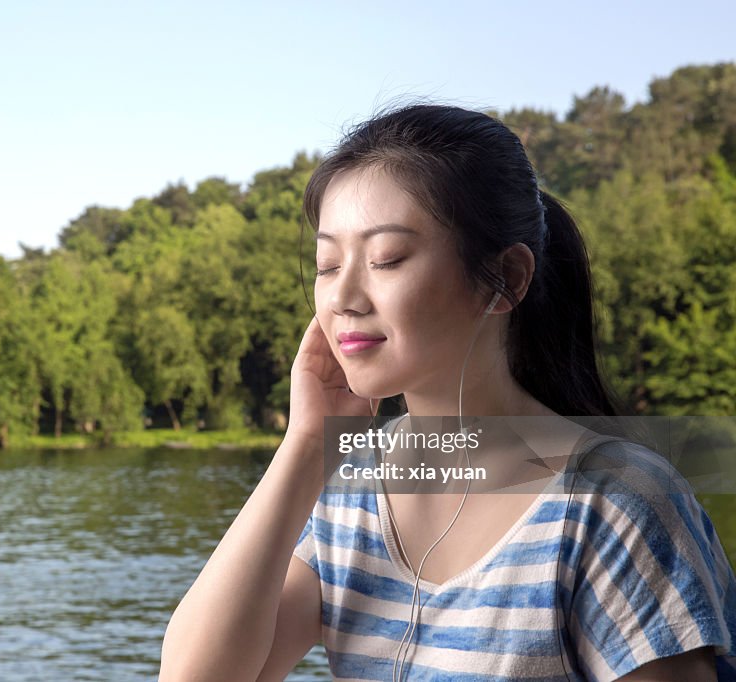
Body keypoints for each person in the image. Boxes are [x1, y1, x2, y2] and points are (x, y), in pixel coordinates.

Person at [159, 104, 736, 681]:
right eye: (328, 264)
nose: (343, 298)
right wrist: (308, 445)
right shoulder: (349, 494)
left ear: (505, 279)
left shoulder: (613, 505)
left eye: (386, 259)